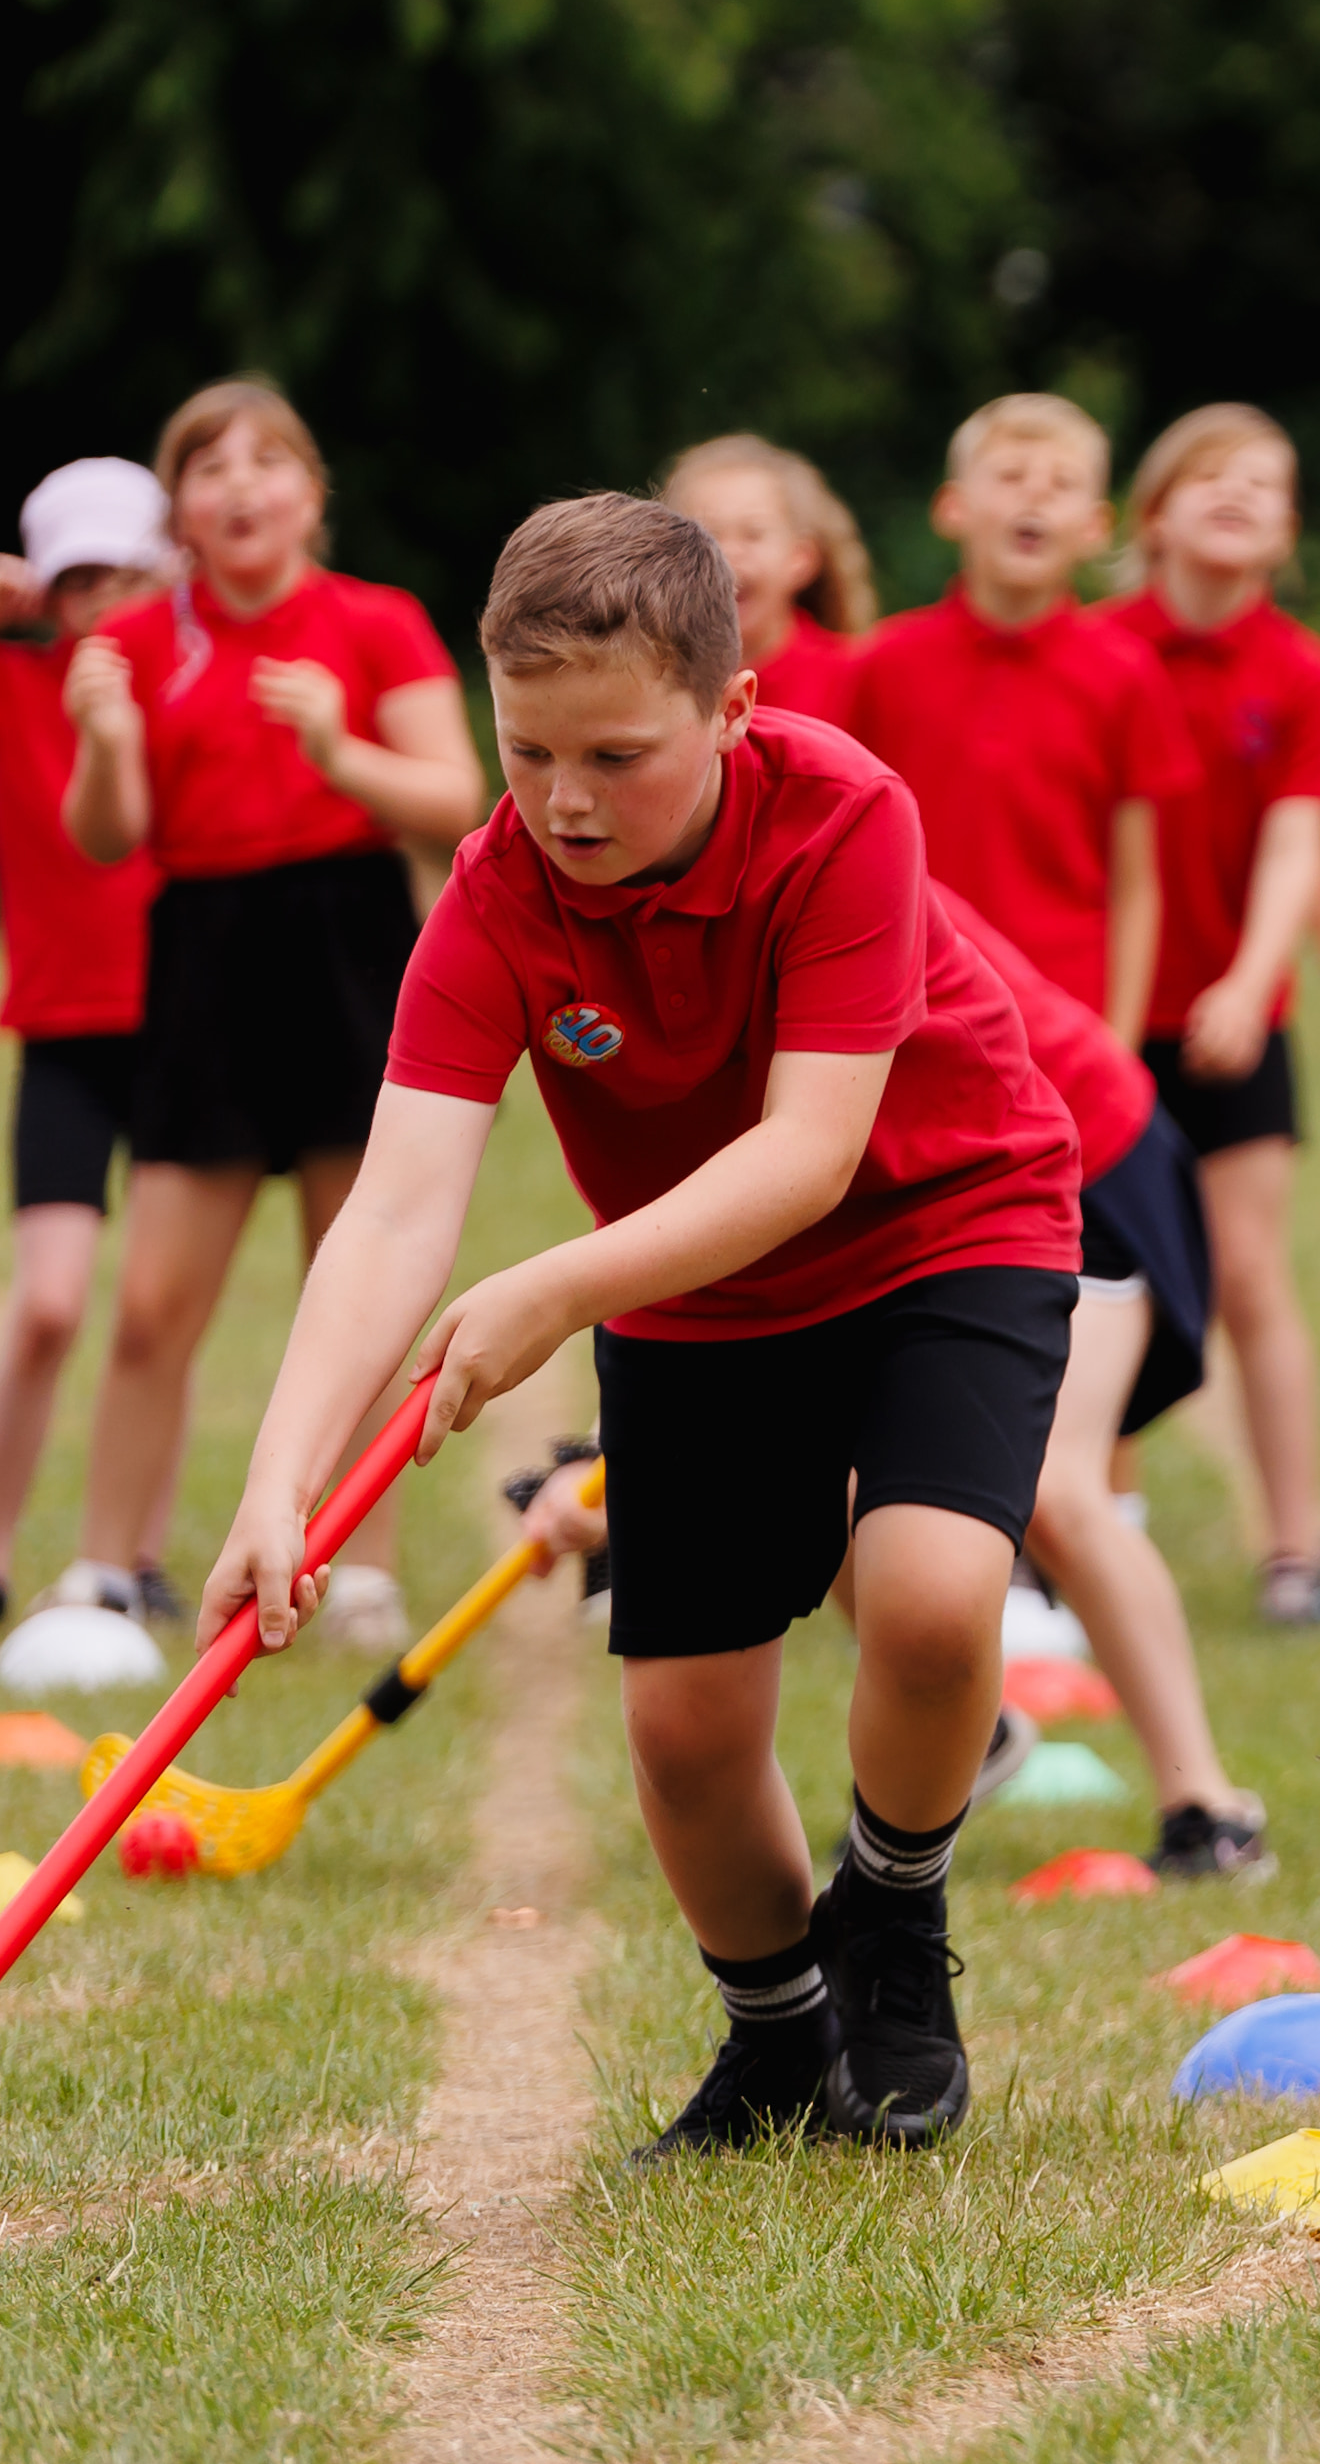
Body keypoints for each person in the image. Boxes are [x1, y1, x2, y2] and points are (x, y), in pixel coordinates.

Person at [206, 494, 1079, 2156]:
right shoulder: (493, 893)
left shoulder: (844, 815)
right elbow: (394, 1206)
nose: (563, 799)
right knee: (683, 1731)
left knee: (932, 1593)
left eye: (615, 754)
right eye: (526, 749)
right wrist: (281, 1482)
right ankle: (775, 2036)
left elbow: (812, 1155)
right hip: (693, 1294)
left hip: (941, 1228)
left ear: (733, 713)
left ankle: (892, 1911)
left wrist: (551, 1287)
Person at [59, 379, 486, 1642]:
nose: (240, 485)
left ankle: (352, 1572)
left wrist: (335, 750)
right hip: (205, 958)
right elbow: (108, 838)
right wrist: (101, 738)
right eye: (208, 465)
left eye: (269, 461)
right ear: (176, 507)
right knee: (149, 1304)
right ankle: (103, 1576)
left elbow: (454, 797)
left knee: (350, 1283)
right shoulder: (135, 641)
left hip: (353, 948)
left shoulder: (374, 622)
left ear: (313, 493)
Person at [926, 890, 1269, 1877]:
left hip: (1073, 1157)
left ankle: (1208, 1807)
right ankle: (961, 1729)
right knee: (833, 1469)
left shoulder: (824, 860)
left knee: (1057, 1491)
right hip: (939, 1183)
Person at [1094, 405, 1320, 1625]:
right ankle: (1094, 1530)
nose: (1239, 493)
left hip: (1234, 1019)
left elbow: (1299, 838)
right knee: (1102, 1283)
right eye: (1211, 475)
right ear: (1153, 513)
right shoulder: (1093, 651)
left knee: (1250, 1275)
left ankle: (1294, 1552)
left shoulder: (1303, 672)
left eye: (1268, 480)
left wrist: (1251, 982)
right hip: (1093, 1022)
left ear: (1289, 528)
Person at [842, 394, 1193, 1042]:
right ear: (953, 507)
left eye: (1061, 484)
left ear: (1095, 525)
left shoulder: (1128, 673)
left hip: (1067, 1012)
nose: (1034, 497)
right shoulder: (881, 663)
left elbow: (1138, 886)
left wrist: (1119, 1039)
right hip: (911, 1002)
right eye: (1008, 477)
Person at [0, 465, 174, 1609]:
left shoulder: (193, 671)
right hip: (64, 1024)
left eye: (127, 572)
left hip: (180, 1026)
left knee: (158, 1307)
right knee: (52, 1303)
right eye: (79, 578)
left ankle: (140, 1555)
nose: (103, 598)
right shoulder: (18, 677)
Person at [663, 433, 878, 728]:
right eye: (705, 532)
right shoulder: (649, 679)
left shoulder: (856, 679)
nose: (726, 553)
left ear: (801, 558)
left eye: (753, 533)